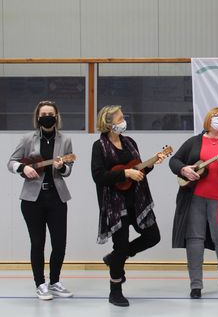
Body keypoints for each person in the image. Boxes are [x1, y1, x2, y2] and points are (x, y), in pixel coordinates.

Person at [91, 105, 166, 307]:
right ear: (108, 123)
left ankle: (116, 258)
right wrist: (125, 173)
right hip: (115, 205)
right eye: (120, 118)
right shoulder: (99, 147)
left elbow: (138, 171)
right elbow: (98, 176)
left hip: (137, 200)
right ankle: (115, 291)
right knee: (121, 245)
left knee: (153, 236)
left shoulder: (130, 142)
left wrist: (150, 164)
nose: (124, 121)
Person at [169, 107, 218, 299]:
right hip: (195, 199)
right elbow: (174, 161)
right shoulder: (194, 142)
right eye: (216, 117)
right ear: (208, 120)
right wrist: (183, 169)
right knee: (194, 241)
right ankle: (196, 286)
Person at [7, 100, 74, 300]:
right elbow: (11, 162)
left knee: (59, 243)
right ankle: (40, 283)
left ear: (56, 116)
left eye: (50, 113)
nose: (47, 116)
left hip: (57, 197)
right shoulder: (27, 139)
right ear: (38, 117)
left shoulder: (65, 140)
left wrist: (62, 166)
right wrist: (23, 168)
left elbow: (68, 171)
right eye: (43, 113)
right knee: (37, 243)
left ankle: (55, 282)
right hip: (32, 200)